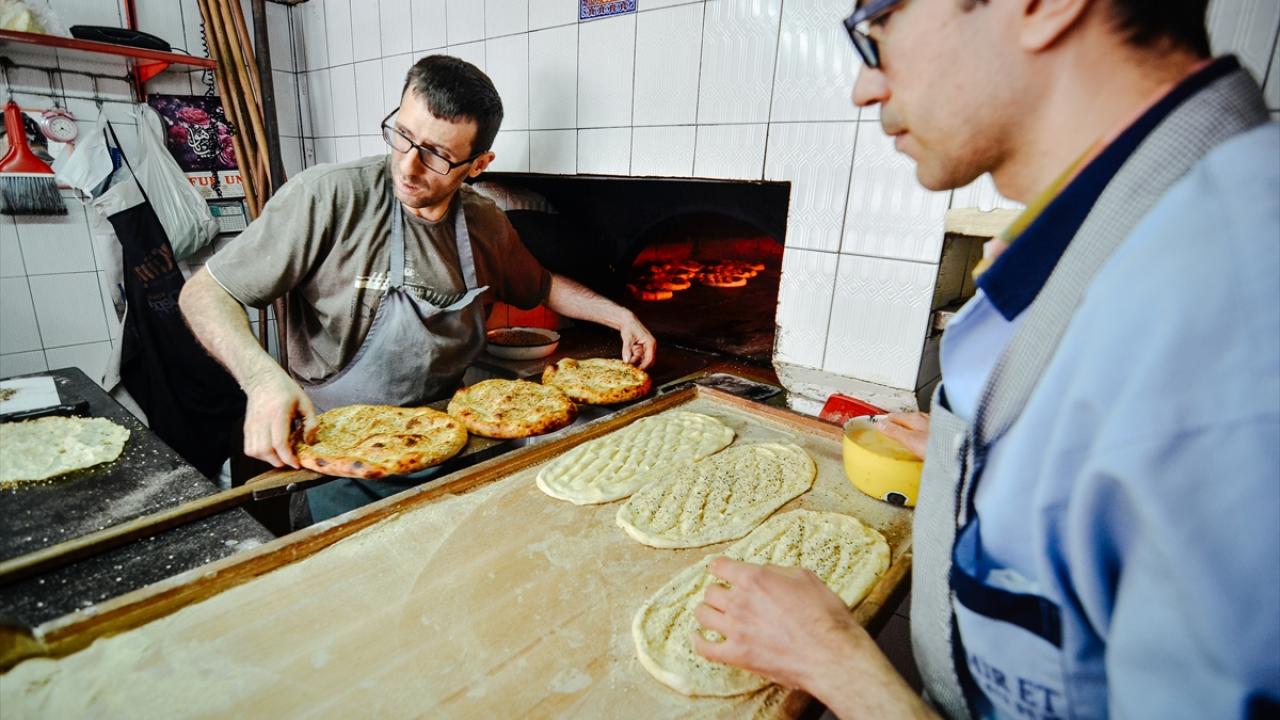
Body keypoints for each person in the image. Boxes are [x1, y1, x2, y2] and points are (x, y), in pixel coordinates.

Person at [692, 0, 1279, 717]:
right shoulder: (1145, 242)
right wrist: (990, 459)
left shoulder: (1237, 303)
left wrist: (832, 660)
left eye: (879, 27)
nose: (865, 87)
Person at [180, 55, 656, 520]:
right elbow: (205, 294)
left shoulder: (485, 221)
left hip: (445, 441)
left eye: (438, 155)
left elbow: (542, 285)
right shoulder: (330, 197)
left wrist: (619, 316)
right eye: (403, 136)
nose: (408, 167)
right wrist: (262, 380)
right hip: (339, 454)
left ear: (478, 164)